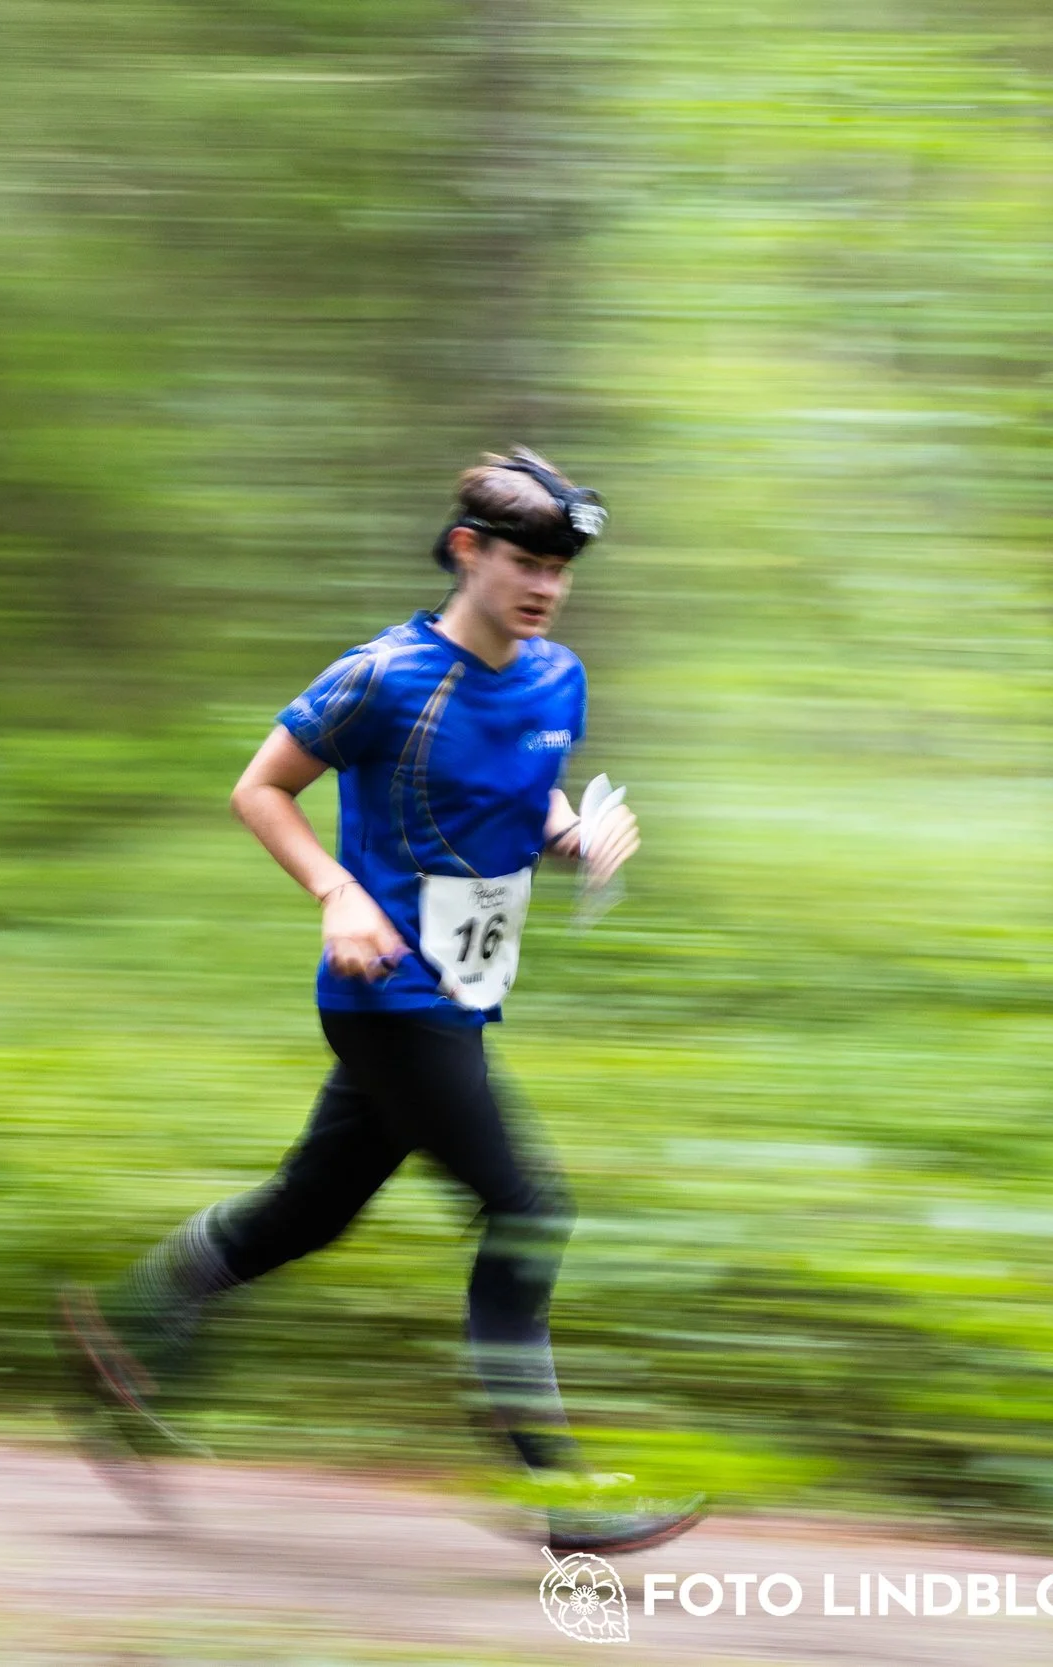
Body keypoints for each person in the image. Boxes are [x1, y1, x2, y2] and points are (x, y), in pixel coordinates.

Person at [57, 448, 705, 1555]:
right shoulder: (381, 675)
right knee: (528, 1205)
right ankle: (555, 1487)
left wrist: (572, 834)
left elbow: (517, 788)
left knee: (310, 1210)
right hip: (385, 991)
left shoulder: (559, 676)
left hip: (459, 993)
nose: (543, 584)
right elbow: (258, 787)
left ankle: (124, 1332)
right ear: (467, 551)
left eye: (560, 566)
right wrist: (337, 892)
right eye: (524, 560)